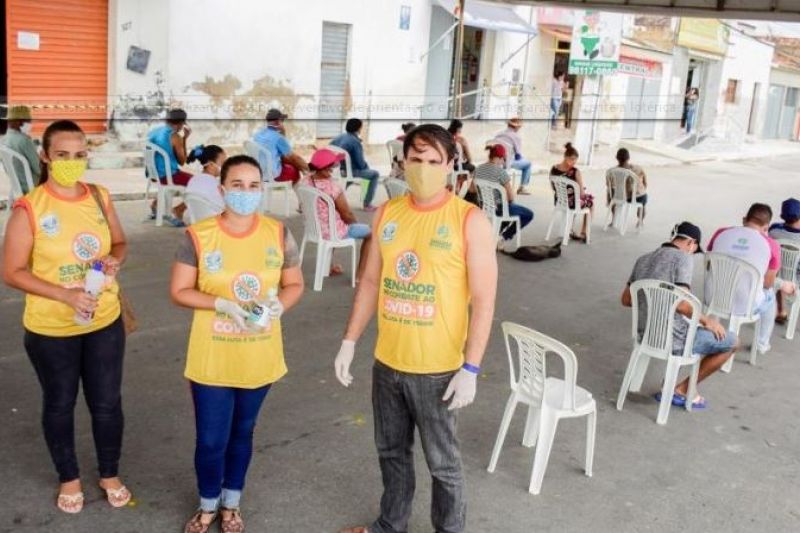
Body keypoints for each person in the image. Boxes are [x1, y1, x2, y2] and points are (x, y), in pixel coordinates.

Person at [334, 124, 497, 533]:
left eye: (433, 161)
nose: (423, 168)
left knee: (443, 464)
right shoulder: (388, 212)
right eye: (416, 160)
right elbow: (371, 280)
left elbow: (484, 300)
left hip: (439, 370)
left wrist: (471, 368)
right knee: (391, 452)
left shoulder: (468, 220)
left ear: (450, 165)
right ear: (402, 162)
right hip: (387, 363)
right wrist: (350, 341)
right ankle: (391, 525)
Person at [2, 120, 131, 513]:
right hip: (50, 328)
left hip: (104, 319)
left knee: (107, 402)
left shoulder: (99, 197)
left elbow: (121, 243)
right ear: (45, 156)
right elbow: (11, 271)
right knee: (60, 403)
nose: (72, 163)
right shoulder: (31, 208)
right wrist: (65, 294)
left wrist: (113, 260)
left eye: (79, 155)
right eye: (62, 155)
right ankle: (69, 477)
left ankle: (108, 472)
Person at [170, 154, 304, 533]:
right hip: (212, 354)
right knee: (211, 439)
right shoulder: (198, 235)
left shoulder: (278, 233)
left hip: (259, 352)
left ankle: (231, 503)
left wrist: (281, 304)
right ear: (222, 188)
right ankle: (207, 504)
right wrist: (221, 304)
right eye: (238, 185)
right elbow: (179, 291)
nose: (246, 193)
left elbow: (294, 284)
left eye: (254, 186)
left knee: (243, 432)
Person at [622, 222, 738, 409]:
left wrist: (652, 298)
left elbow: (626, 300)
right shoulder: (683, 259)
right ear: (691, 243)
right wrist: (707, 321)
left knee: (694, 329)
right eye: (694, 249)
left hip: (646, 335)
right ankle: (683, 389)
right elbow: (683, 305)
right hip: (674, 339)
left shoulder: (643, 259)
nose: (692, 253)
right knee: (731, 341)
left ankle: (672, 383)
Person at [707, 203, 797, 354]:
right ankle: (761, 344)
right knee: (770, 296)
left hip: (713, 296)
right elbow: (767, 284)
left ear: (744, 219)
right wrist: (782, 284)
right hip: (745, 305)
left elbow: (710, 265)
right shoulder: (771, 245)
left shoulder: (720, 233)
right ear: (766, 228)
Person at [299, 148, 372, 276]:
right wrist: (354, 224)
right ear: (324, 167)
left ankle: (327, 267)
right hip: (332, 232)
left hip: (315, 229)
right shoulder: (332, 187)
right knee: (371, 233)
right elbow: (347, 214)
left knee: (332, 223)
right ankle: (361, 276)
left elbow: (301, 206)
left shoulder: (305, 182)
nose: (333, 167)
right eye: (331, 165)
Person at [470, 144, 533, 249]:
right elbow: (511, 197)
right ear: (500, 158)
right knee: (527, 214)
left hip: (484, 208)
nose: (504, 161)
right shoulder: (501, 172)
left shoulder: (478, 169)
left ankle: (494, 234)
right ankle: (503, 237)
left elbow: (471, 189)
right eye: (504, 158)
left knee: (511, 210)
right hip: (499, 209)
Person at [147, 108, 193, 226]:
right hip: (168, 176)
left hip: (154, 174)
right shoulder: (175, 136)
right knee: (201, 182)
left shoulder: (154, 131)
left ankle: (156, 204)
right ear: (182, 123)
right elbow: (182, 161)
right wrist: (184, 139)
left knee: (186, 178)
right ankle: (179, 209)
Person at [330, 118, 380, 211]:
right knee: (374, 174)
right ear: (359, 128)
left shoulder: (339, 137)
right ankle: (367, 204)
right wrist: (367, 168)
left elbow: (330, 150)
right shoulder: (355, 142)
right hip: (350, 171)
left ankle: (335, 198)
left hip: (339, 170)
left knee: (350, 177)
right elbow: (360, 164)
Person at [550, 143, 593, 243]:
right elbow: (582, 194)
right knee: (590, 203)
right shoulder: (575, 172)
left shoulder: (553, 168)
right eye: (572, 159)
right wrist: (582, 192)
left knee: (578, 200)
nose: (573, 162)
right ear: (565, 157)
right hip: (571, 203)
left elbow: (553, 186)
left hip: (559, 201)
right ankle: (584, 232)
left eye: (575, 160)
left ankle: (570, 229)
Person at [252, 108, 309, 183]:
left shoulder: (258, 134)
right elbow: (294, 157)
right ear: (277, 122)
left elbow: (282, 154)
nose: (283, 123)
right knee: (295, 171)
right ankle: (288, 190)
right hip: (271, 174)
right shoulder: (278, 137)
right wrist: (308, 169)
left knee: (285, 160)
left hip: (257, 171)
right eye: (282, 121)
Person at [768, 198, 800, 323]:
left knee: (777, 270)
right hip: (797, 277)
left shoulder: (774, 230)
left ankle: (781, 310)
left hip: (780, 274)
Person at [2, 105, 41, 191]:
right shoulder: (24, 140)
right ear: (19, 122)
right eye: (28, 121)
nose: (29, 124)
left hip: (17, 185)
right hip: (32, 185)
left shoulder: (3, 140)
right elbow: (39, 170)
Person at [607, 147, 648, 222]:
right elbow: (645, 183)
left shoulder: (611, 171)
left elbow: (608, 185)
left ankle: (614, 218)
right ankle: (640, 220)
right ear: (629, 158)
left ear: (616, 158)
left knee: (610, 192)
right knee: (643, 196)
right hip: (634, 198)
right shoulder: (637, 169)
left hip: (618, 197)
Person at [494, 117, 532, 194]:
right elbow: (518, 156)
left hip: (495, 162)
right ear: (517, 127)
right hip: (507, 163)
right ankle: (522, 187)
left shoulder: (498, 134)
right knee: (528, 164)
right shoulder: (516, 136)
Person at [185, 144, 226, 214]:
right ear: (211, 164)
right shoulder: (214, 184)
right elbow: (223, 208)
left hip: (194, 220)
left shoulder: (193, 180)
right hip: (212, 222)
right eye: (223, 163)